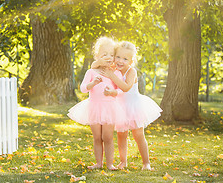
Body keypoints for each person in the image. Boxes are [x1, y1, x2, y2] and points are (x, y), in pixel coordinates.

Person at [98, 41, 162, 171]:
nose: (120, 61)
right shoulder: (114, 70)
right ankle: (123, 161)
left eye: (125, 59)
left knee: (138, 135)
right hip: (120, 108)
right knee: (121, 136)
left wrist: (111, 76)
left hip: (133, 107)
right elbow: (114, 87)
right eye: (118, 57)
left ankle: (146, 163)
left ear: (131, 61)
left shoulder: (131, 72)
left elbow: (126, 87)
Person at [67, 36, 126, 170]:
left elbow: (120, 90)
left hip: (109, 108)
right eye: (104, 54)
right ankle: (98, 163)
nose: (108, 57)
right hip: (94, 107)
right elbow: (82, 88)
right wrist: (93, 83)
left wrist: (111, 91)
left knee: (108, 137)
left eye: (111, 54)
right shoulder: (91, 71)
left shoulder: (114, 72)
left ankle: (110, 164)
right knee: (97, 137)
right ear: (97, 56)